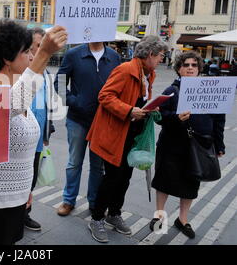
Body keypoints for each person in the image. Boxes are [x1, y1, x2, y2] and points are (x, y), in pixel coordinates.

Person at [0, 20, 67, 245]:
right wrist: (45, 54)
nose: (31, 57)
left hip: (16, 199)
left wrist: (26, 191)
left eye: (33, 52)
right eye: (26, 52)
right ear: (7, 59)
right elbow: (14, 103)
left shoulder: (20, 95)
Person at [86, 35, 168, 243]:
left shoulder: (148, 73)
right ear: (150, 54)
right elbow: (105, 96)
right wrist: (129, 110)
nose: (161, 59)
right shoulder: (125, 70)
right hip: (115, 133)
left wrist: (149, 107)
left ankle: (114, 213)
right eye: (160, 56)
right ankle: (96, 218)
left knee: (125, 177)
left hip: (132, 133)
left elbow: (138, 98)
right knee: (112, 177)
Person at [150, 51, 225, 239]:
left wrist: (219, 144)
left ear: (199, 69)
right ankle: (159, 216)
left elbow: (219, 119)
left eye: (193, 65)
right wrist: (175, 118)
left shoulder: (210, 89)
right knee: (164, 181)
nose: (190, 68)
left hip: (199, 145)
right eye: (186, 65)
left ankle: (182, 219)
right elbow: (159, 118)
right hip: (172, 145)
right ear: (179, 69)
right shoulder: (171, 90)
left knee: (192, 183)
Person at [54, 41, 120, 216]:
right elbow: (59, 83)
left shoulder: (114, 57)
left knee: (98, 166)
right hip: (77, 119)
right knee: (74, 163)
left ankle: (94, 202)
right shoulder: (74, 54)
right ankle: (68, 200)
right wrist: (75, 102)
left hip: (103, 121)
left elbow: (120, 85)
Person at [26, 27, 61, 231]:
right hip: (23, 136)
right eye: (36, 46)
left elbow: (48, 102)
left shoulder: (46, 71)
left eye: (42, 46)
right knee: (20, 178)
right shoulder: (21, 68)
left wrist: (48, 131)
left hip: (39, 136)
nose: (39, 50)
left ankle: (24, 214)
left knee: (31, 178)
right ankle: (15, 215)